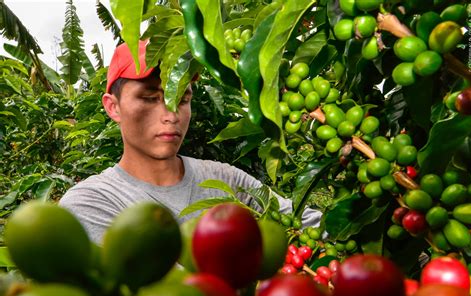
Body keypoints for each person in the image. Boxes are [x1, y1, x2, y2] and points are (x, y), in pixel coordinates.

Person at [59, 40, 321, 244]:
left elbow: (307, 222)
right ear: (113, 107)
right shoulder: (91, 203)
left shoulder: (224, 178)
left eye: (182, 99)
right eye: (150, 98)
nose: (171, 116)